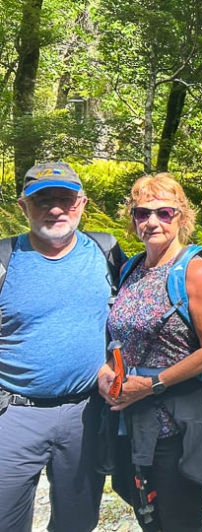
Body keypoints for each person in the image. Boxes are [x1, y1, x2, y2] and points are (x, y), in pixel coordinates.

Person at [98, 173, 202, 532]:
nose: (152, 222)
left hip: (178, 424)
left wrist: (152, 386)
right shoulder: (130, 269)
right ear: (132, 220)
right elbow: (117, 336)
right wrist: (105, 373)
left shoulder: (194, 270)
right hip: (133, 422)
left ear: (182, 217)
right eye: (142, 213)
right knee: (149, 518)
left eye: (164, 212)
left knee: (181, 521)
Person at [0, 162, 125, 532]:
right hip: (13, 415)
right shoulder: (5, 259)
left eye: (65, 199)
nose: (55, 209)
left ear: (82, 204)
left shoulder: (107, 252)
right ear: (23, 206)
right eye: (43, 200)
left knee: (77, 521)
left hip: (86, 416)